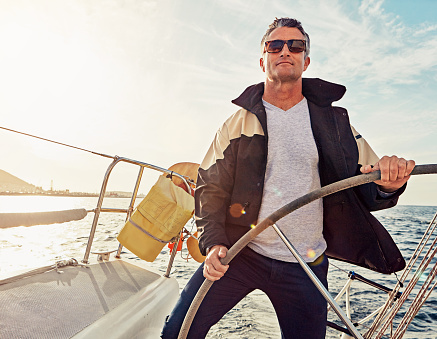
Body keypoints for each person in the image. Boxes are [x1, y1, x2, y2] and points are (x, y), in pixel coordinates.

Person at [161, 17, 415, 339]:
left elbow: (373, 181)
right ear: (262, 59)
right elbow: (210, 189)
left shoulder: (336, 124)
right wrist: (213, 244)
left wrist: (391, 182)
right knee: (176, 333)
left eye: (295, 46)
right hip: (240, 252)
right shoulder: (236, 124)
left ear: (305, 60)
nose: (285, 51)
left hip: (305, 263)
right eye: (275, 45)